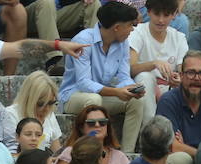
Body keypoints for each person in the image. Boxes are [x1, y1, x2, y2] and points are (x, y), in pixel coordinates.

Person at [58, 1, 145, 153]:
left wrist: (131, 89)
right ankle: (91, 151)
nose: (132, 29)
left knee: (137, 102)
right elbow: (84, 83)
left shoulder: (123, 43)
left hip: (99, 95)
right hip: (73, 96)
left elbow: (124, 76)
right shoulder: (83, 40)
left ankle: (127, 154)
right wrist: (116, 92)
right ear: (117, 27)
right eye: (130, 25)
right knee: (94, 100)